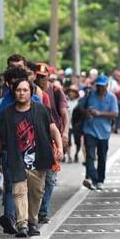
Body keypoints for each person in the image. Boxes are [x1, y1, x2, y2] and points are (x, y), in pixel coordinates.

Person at [0, 78, 63, 237]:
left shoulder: (41, 110)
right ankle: (22, 224)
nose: (22, 93)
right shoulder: (7, 113)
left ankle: (32, 222)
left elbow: (53, 129)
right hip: (15, 159)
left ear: (31, 92)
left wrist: (60, 147)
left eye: (25, 90)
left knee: (37, 192)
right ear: (13, 92)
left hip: (39, 159)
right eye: (18, 90)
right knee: (19, 191)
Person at [35, 63, 69, 224]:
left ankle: (43, 211)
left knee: (50, 178)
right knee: (34, 177)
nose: (41, 79)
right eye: (38, 76)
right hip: (33, 138)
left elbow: (64, 114)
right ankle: (31, 212)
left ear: (48, 76)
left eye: (44, 76)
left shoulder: (55, 91)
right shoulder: (30, 91)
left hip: (52, 138)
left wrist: (65, 133)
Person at [80, 75, 118, 190]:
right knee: (90, 156)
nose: (100, 88)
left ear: (107, 86)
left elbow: (115, 114)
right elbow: (80, 108)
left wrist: (100, 113)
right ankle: (93, 178)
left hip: (104, 132)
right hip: (89, 130)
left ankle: (100, 179)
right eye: (99, 86)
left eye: (103, 86)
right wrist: (86, 112)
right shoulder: (90, 95)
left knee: (102, 157)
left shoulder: (112, 98)